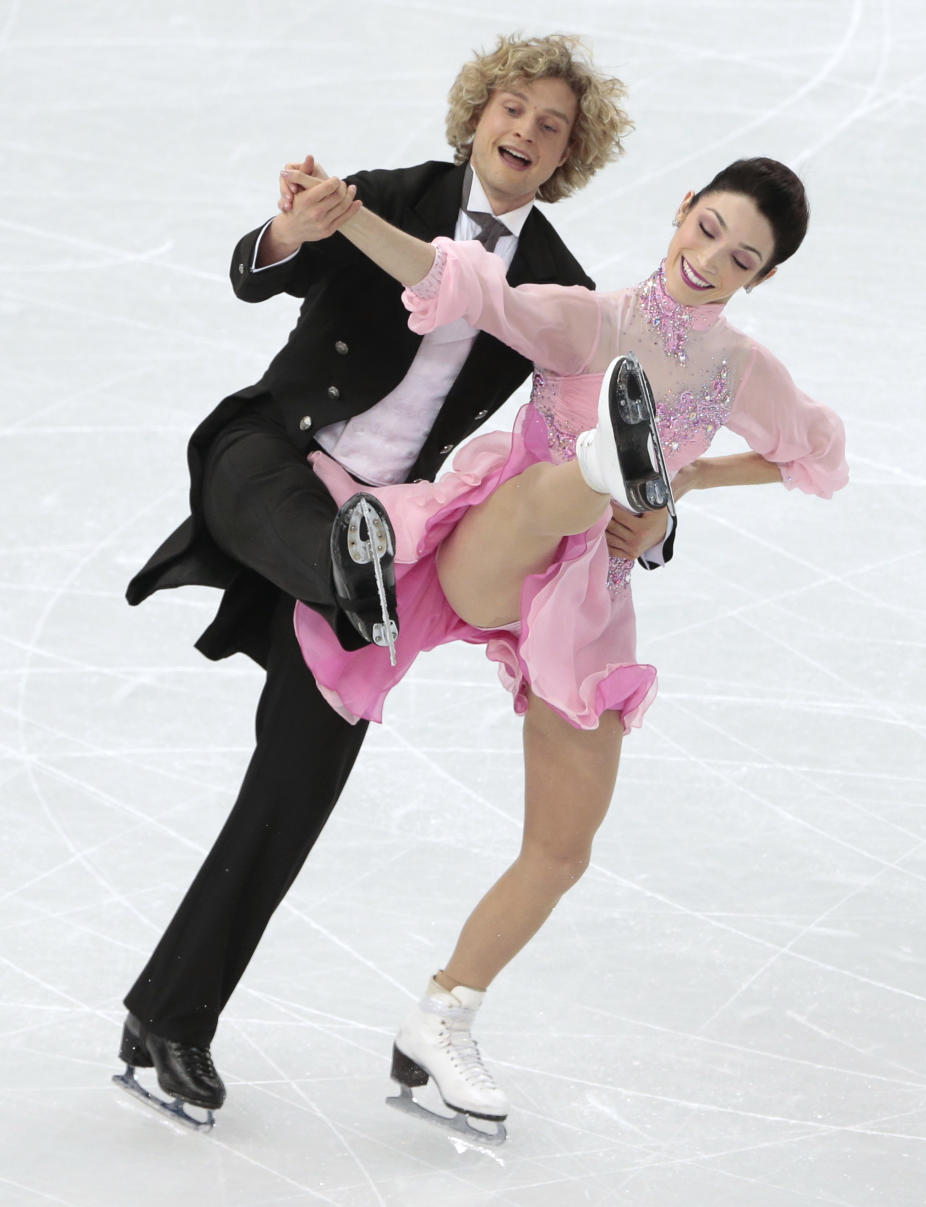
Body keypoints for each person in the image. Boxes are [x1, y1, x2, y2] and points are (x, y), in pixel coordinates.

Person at [115, 34, 638, 1125]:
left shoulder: (557, 286)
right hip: (268, 461)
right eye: (514, 108)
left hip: (386, 515)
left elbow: (580, 415)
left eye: (553, 126)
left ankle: (171, 1013)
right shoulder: (388, 196)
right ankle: (349, 572)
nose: (527, 132)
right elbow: (260, 271)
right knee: (331, 547)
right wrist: (286, 231)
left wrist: (635, 503)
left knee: (299, 782)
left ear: (570, 155)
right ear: (478, 112)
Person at [281, 156, 849, 1138]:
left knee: (563, 847)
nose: (710, 259)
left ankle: (443, 1014)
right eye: (706, 228)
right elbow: (462, 282)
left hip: (588, 603)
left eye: (741, 256)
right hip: (495, 548)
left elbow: (816, 454)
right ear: (683, 210)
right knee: (561, 491)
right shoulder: (596, 320)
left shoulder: (739, 371)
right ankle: (605, 459)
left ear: (763, 276)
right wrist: (352, 217)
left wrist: (687, 486)